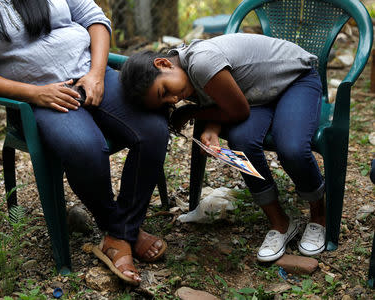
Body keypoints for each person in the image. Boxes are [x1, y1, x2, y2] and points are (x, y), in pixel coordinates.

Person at [0, 0, 169, 285]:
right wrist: (35, 94)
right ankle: (120, 229)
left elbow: (94, 18)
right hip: (40, 97)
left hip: (91, 75)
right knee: (83, 148)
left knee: (153, 130)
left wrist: (97, 74)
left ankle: (120, 234)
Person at [120, 33, 326, 262]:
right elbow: (220, 100)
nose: (173, 99)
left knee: (292, 148)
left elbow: (238, 111)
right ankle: (280, 223)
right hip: (256, 95)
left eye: (165, 91)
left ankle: (319, 216)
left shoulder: (201, 63)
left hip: (294, 80)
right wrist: (212, 128)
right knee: (241, 143)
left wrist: (191, 113)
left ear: (163, 63)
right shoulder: (184, 74)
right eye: (165, 101)